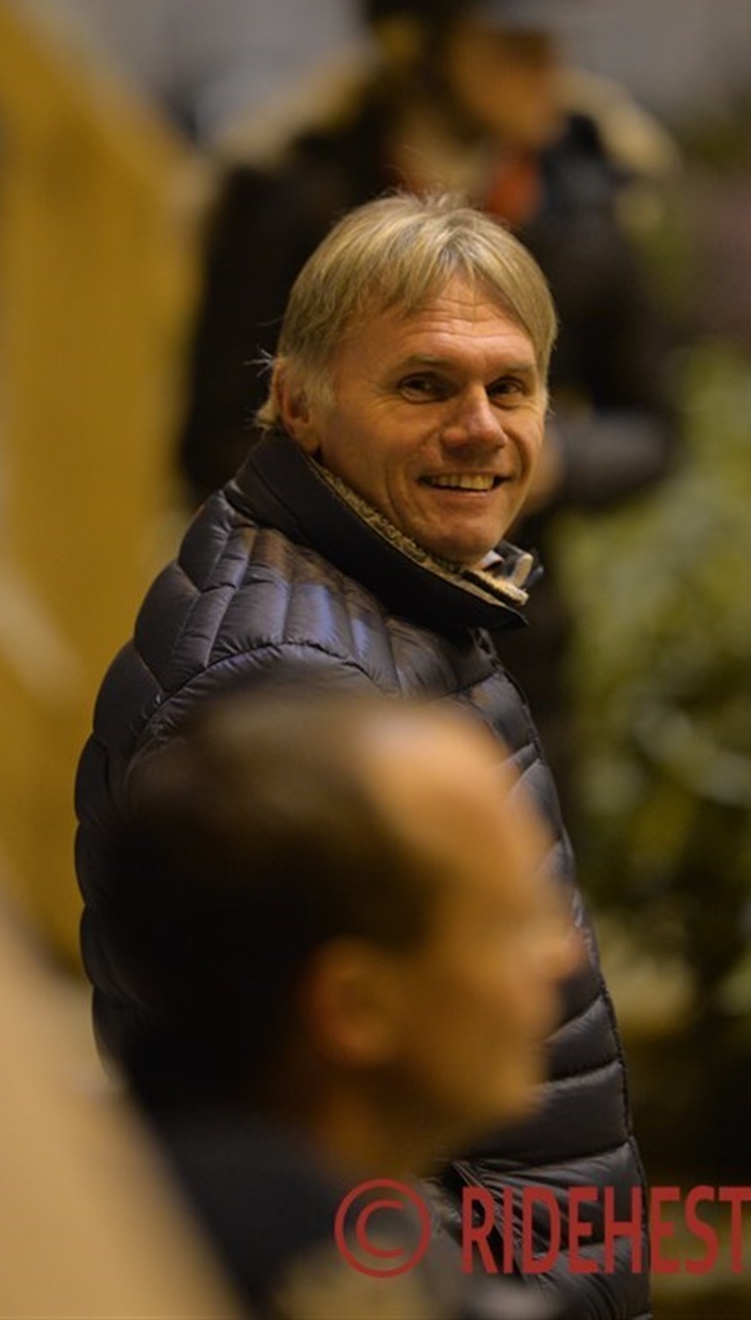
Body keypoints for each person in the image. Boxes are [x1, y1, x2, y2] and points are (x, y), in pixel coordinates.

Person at [76, 193, 652, 1320]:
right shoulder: (292, 674)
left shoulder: (391, 592)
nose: (480, 427)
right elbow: (309, 1124)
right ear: (299, 402)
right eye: (425, 384)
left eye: (512, 386)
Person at [176, 0, 680, 790]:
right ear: (418, 48)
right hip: (317, 649)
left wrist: (556, 459)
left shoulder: (585, 201)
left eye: (554, 39)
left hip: (517, 643)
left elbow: (658, 427)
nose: (550, 68)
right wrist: (388, 473)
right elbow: (212, 437)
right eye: (513, 41)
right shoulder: (293, 199)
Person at [106, 684, 577, 1319]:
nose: (563, 954)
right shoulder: (319, 1286)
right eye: (510, 926)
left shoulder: (150, 1208)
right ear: (357, 1007)